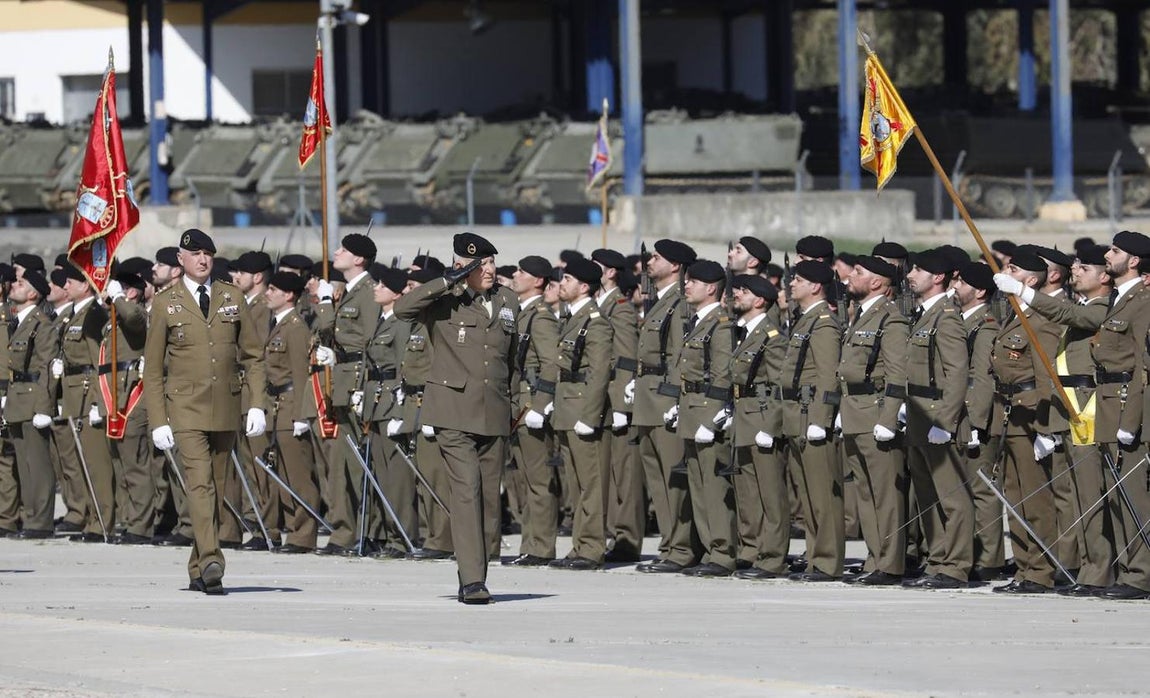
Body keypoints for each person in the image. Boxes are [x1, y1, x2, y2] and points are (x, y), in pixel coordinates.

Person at [996, 231, 1150, 600]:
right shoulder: (1118, 302)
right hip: (1098, 409)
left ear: (1133, 261)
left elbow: (1141, 366)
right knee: (1096, 500)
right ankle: (1102, 571)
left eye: (1115, 251)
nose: (1078, 268)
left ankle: (1133, 573)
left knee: (1122, 498)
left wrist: (1132, 419)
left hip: (1112, 406)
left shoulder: (1134, 303)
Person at [393, 232, 517, 604]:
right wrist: (447, 280)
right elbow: (402, 310)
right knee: (467, 492)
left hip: (494, 411)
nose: (491, 270)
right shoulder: (444, 299)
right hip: (453, 412)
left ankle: (477, 569)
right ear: (464, 267)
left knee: (489, 502)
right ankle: (473, 580)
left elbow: (511, 361)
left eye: (493, 262)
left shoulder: (508, 301)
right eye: (483, 264)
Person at [144, 229, 266, 595]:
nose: (202, 259)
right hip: (185, 408)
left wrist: (257, 402)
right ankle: (214, 559)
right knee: (199, 484)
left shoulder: (232, 296)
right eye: (194, 254)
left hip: (226, 405)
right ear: (180, 260)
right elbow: (152, 369)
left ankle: (198, 567)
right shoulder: (166, 302)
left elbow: (252, 355)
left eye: (208, 254)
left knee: (214, 486)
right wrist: (158, 419)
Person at [901, 250, 972, 589]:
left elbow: (957, 374)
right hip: (918, 418)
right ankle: (939, 560)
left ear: (938, 278)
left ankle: (956, 566)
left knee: (952, 498)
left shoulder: (946, 318)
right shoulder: (924, 315)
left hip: (937, 421)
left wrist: (945, 422)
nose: (911, 274)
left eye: (919, 270)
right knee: (928, 498)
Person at [837, 256, 909, 585]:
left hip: (876, 412)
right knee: (865, 494)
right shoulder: (863, 315)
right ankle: (875, 557)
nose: (851, 276)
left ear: (878, 283)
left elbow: (897, 374)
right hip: (855, 411)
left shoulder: (890, 320)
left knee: (885, 495)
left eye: (859, 272)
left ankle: (891, 563)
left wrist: (889, 416)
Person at [631, 239, 698, 574]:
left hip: (663, 398)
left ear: (675, 266)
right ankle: (670, 543)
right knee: (657, 479)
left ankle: (682, 547)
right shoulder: (660, 301)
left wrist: (674, 398)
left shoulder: (680, 303)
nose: (650, 262)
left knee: (673, 479)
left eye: (656, 258)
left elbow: (678, 354)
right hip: (647, 398)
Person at [778, 260, 844, 581]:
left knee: (821, 496)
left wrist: (822, 419)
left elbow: (828, 376)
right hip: (797, 415)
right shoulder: (806, 321)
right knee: (806, 495)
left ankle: (829, 561)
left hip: (811, 417)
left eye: (798, 280)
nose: (792, 285)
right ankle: (815, 558)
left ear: (815, 286)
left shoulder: (823, 324)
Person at [547, 257, 612, 570]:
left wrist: (590, 416)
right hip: (567, 408)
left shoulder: (595, 322)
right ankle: (579, 545)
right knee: (575, 484)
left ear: (584, 286)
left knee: (590, 485)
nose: (562, 284)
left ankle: (592, 548)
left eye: (568, 279)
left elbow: (599, 373)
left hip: (582, 410)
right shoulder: (572, 317)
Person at [673, 259, 737, 577]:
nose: (686, 285)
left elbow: (723, 375)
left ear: (711, 288)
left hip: (707, 413)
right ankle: (711, 549)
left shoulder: (721, 324)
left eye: (693, 281)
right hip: (691, 408)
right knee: (698, 487)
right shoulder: (699, 322)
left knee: (713, 487)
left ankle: (723, 553)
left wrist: (712, 419)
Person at [250, 271, 319, 554]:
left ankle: (303, 534)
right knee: (278, 472)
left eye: (274, 289)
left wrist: (303, 415)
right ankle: (287, 528)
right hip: (274, 405)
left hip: (291, 405)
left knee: (298, 474)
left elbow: (302, 375)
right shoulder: (276, 323)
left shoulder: (295, 327)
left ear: (289, 295)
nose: (268, 293)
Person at [505, 256, 561, 566]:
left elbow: (552, 363)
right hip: (517, 405)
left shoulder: (541, 317)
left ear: (537, 281)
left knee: (538, 481)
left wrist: (542, 404)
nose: (515, 275)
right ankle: (530, 543)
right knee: (526, 479)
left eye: (522, 272)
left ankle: (541, 547)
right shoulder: (522, 313)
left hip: (531, 405)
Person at [590, 248, 642, 563]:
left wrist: (623, 404)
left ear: (610, 272)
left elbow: (626, 357)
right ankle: (612, 534)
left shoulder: (619, 308)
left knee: (624, 474)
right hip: (602, 399)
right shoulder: (600, 305)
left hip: (615, 399)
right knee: (608, 473)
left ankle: (627, 539)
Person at [4, 270, 56, 538]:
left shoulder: (41, 324)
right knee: (24, 466)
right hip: (17, 399)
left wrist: (44, 408)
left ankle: (42, 521)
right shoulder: (19, 322)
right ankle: (31, 517)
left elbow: (47, 367)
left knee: (38, 465)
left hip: (34, 397)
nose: (14, 285)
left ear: (33, 294)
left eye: (21, 283)